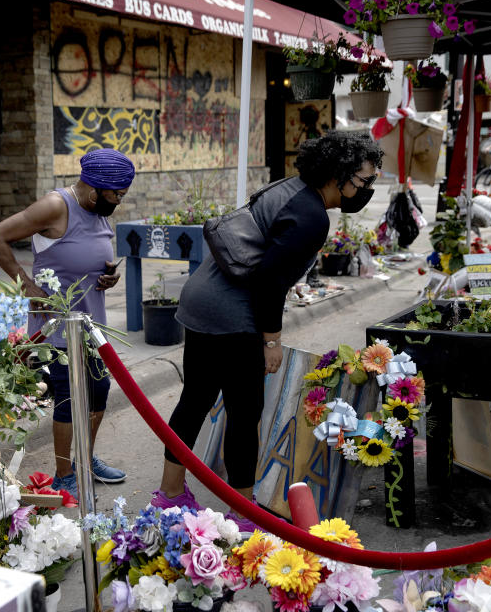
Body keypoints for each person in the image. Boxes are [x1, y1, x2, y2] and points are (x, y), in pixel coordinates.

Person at [151, 134, 382, 532]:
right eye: (362, 181)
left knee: (195, 399)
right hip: (232, 314)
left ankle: (169, 494)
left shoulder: (289, 188)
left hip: (202, 298)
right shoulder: (312, 217)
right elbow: (269, 282)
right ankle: (242, 512)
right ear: (338, 174)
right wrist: (271, 342)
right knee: (244, 414)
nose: (365, 190)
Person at [0, 148, 135, 498]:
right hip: (55, 326)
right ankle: (64, 474)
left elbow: (90, 255)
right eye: (116, 195)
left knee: (99, 392)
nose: (119, 201)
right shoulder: (55, 206)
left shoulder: (98, 208)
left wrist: (107, 277)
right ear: (94, 187)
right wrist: (26, 285)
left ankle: (86, 459)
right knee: (68, 396)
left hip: (92, 324)